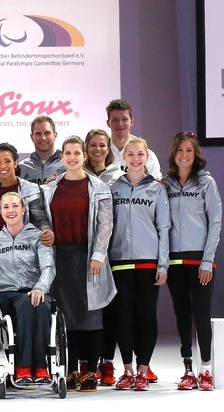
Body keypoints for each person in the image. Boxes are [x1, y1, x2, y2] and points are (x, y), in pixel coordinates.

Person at [42, 136, 116, 392]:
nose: (72, 157)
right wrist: (47, 231)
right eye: (68, 153)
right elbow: (43, 217)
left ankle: (91, 371)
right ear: (62, 157)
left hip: (87, 257)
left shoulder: (99, 188)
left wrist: (98, 255)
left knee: (91, 315)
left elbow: (105, 225)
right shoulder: (51, 187)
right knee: (67, 317)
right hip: (60, 258)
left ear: (84, 156)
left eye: (77, 153)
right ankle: (71, 369)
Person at [109, 137, 170, 392]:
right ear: (123, 157)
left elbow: (164, 228)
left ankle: (143, 371)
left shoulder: (157, 189)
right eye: (131, 154)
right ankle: (127, 371)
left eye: (140, 155)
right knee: (123, 316)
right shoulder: (114, 188)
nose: (135, 159)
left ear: (147, 158)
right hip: (120, 261)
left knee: (146, 315)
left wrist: (163, 265)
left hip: (148, 262)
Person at [162, 132, 222, 391]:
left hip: (200, 261)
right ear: (173, 154)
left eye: (189, 150)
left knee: (201, 314)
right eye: (180, 150)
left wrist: (207, 261)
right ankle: (188, 369)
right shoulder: (166, 184)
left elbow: (215, 222)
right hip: (175, 262)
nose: (184, 155)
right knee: (182, 314)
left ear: (195, 154)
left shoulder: (206, 182)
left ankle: (206, 369)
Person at [0, 192, 55, 384]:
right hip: (6, 294)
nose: (11, 210)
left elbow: (48, 266)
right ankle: (24, 366)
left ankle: (40, 366)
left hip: (34, 290)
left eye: (15, 206)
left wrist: (40, 288)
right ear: (0, 211)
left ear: (23, 210)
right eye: (6, 207)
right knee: (27, 304)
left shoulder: (38, 237)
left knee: (39, 304)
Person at [83, 128, 123, 386]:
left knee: (111, 310)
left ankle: (107, 361)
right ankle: (87, 361)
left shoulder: (118, 176)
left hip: (114, 252)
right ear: (86, 149)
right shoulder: (76, 175)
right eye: (93, 145)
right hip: (86, 253)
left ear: (109, 149)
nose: (98, 149)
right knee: (88, 310)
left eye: (102, 145)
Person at [0, 142, 53, 245]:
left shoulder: (32, 190)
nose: (3, 166)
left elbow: (40, 219)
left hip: (24, 249)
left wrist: (46, 230)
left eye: (7, 161)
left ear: (15, 163)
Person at [106, 99, 161, 179]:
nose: (120, 124)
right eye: (115, 120)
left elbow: (156, 183)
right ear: (108, 123)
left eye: (124, 119)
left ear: (131, 121)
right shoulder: (101, 153)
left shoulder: (147, 155)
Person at [18, 115, 66, 185]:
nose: (43, 138)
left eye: (47, 133)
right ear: (32, 137)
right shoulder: (21, 167)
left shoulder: (67, 165)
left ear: (55, 135)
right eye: (38, 134)